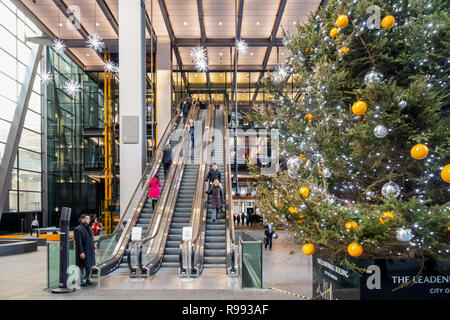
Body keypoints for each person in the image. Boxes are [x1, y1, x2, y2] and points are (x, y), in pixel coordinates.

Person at [74, 214, 96, 286]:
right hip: (83, 251)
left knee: (89, 266)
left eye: (89, 219)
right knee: (82, 267)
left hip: (90, 250)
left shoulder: (89, 228)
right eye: (87, 219)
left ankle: (87, 279)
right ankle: (81, 281)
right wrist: (81, 252)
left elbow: (92, 239)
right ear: (82, 219)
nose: (88, 220)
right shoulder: (78, 229)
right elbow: (78, 242)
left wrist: (94, 248)